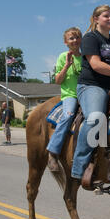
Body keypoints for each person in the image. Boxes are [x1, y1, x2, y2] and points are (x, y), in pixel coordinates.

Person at [71, 5, 110, 184]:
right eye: (106, 16)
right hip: (93, 85)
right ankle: (78, 167)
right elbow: (96, 65)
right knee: (96, 118)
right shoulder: (90, 38)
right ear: (96, 18)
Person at [47, 27, 82, 171]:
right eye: (71, 38)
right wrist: (67, 65)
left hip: (86, 94)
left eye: (77, 37)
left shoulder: (86, 57)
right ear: (65, 42)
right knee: (68, 116)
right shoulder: (63, 57)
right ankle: (53, 152)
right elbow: (58, 80)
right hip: (70, 95)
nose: (74, 40)